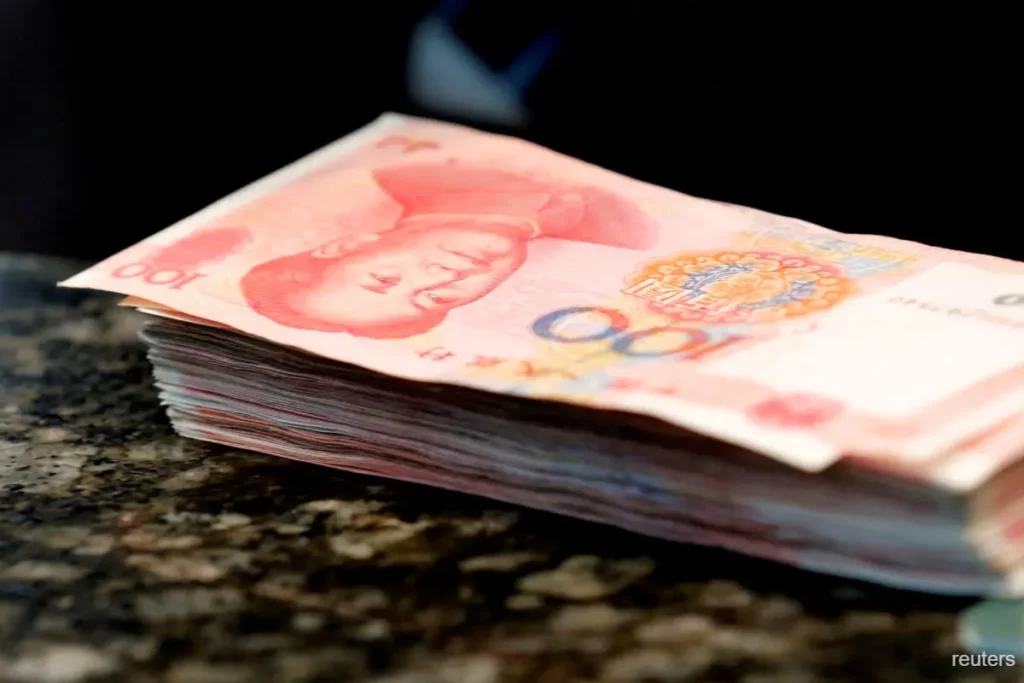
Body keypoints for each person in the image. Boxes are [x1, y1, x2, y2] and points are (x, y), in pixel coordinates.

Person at [239, 162, 658, 339]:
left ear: (349, 245)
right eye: (433, 300)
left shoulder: (413, 171)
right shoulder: (622, 242)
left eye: (384, 279)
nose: (443, 278)